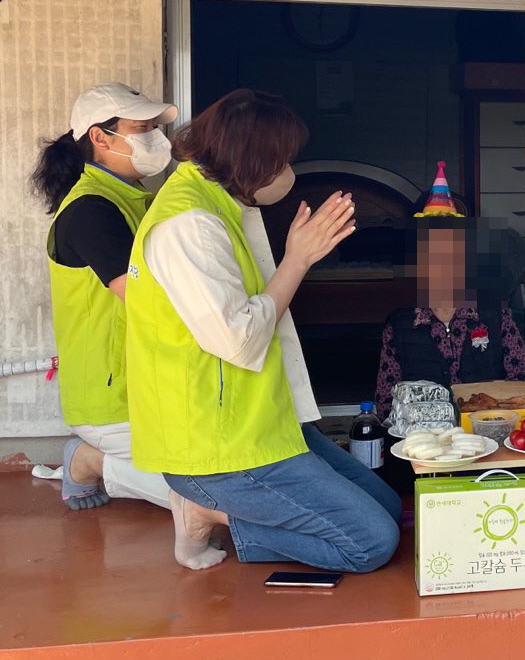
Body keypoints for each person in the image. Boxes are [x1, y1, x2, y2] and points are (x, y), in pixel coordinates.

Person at [125, 89, 401, 573]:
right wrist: (298, 260)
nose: (288, 172)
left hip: (260, 427)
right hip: (217, 448)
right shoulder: (190, 224)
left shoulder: (217, 204)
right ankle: (208, 513)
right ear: (254, 160)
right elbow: (239, 338)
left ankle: (229, 513)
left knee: (389, 507)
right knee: (372, 543)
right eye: (283, 160)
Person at [30, 83, 178, 511]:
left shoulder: (133, 198)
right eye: (142, 128)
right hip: (112, 399)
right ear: (100, 137)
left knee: (214, 476)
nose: (155, 138)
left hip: (145, 385)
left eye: (155, 128)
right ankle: (88, 458)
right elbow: (143, 297)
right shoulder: (92, 209)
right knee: (198, 498)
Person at [374, 217, 525, 420]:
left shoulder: (495, 315)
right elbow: (387, 401)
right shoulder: (400, 326)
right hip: (424, 437)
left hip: (488, 428)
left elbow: (521, 380)